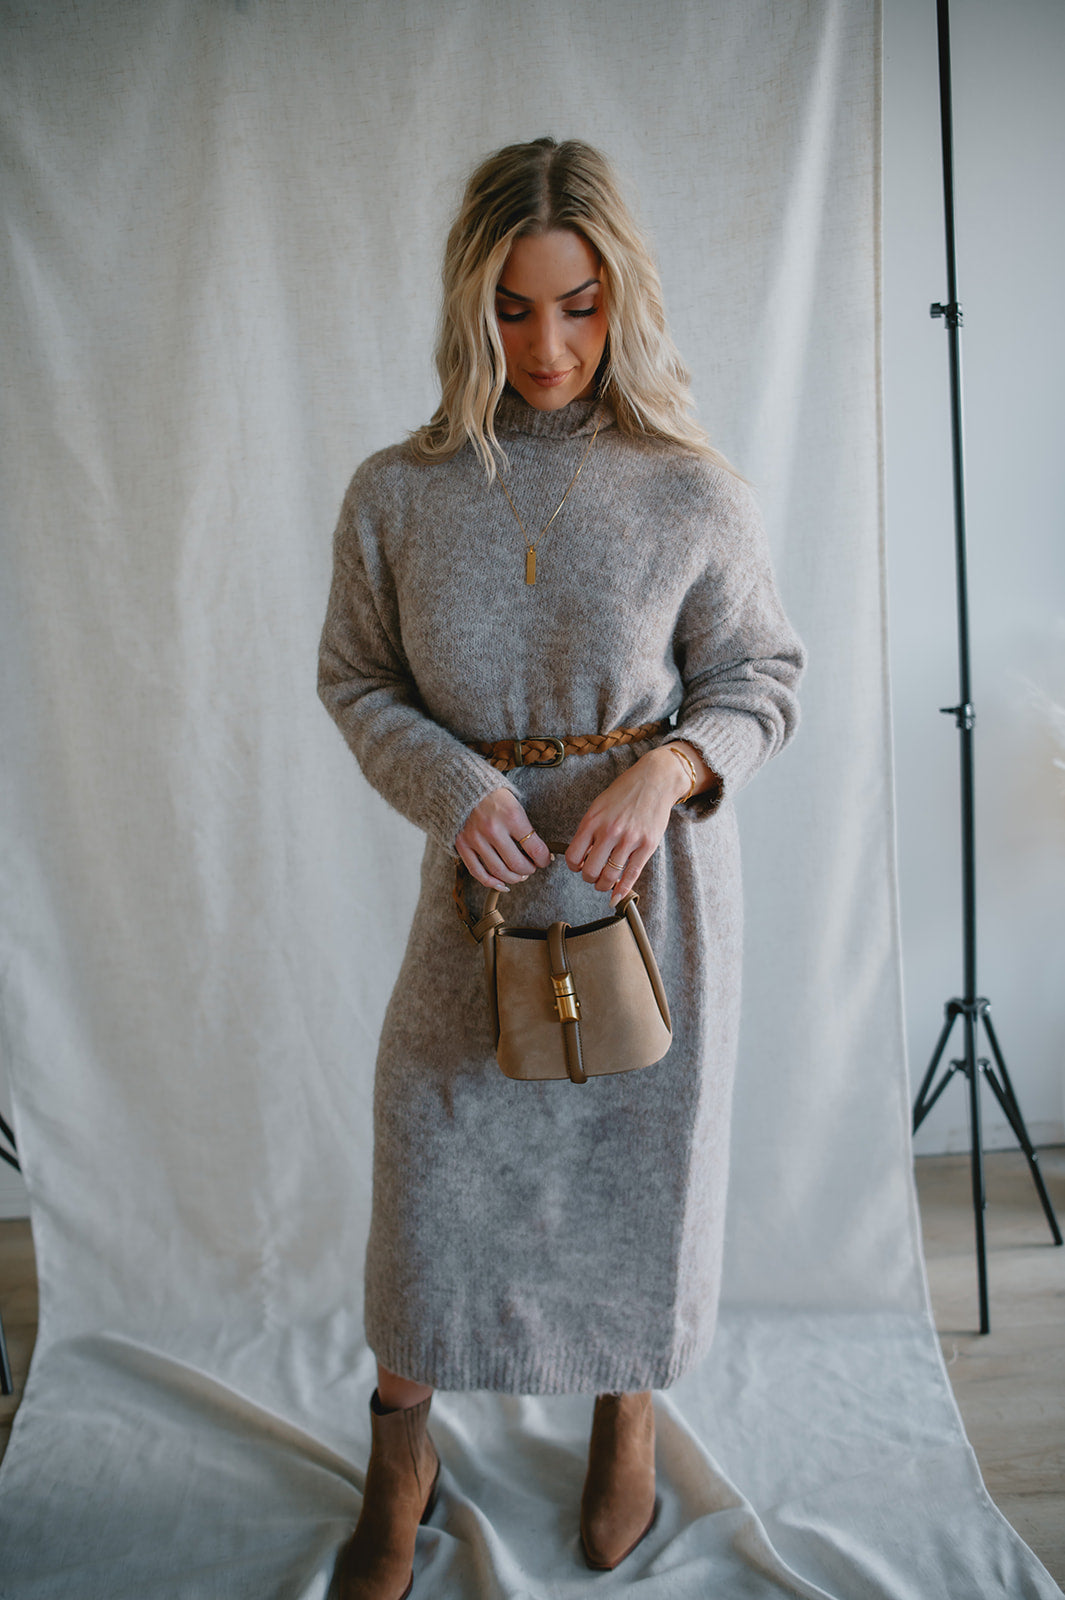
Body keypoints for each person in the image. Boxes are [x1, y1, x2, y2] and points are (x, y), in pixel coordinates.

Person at [318, 136, 805, 1600]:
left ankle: (625, 1414)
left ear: (622, 300)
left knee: (638, 1170)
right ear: (469, 303)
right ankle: (400, 1459)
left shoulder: (688, 488)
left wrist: (670, 769)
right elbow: (357, 680)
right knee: (431, 1165)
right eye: (514, 307)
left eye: (580, 306)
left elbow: (763, 677)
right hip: (478, 902)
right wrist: (450, 782)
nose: (547, 345)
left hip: (650, 905)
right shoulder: (397, 494)